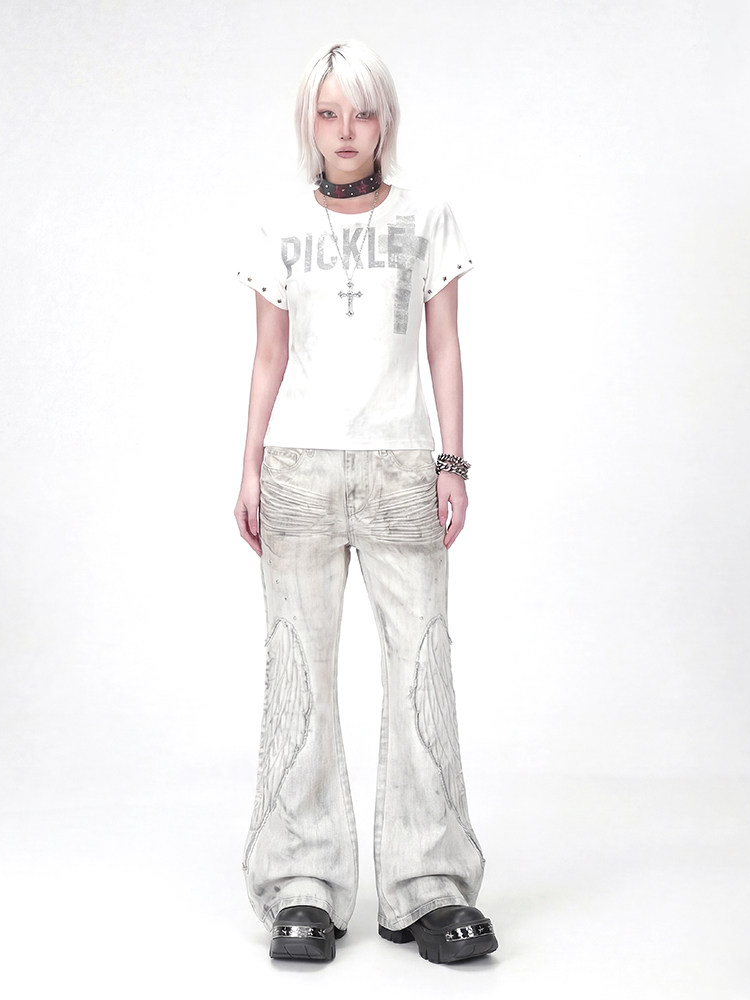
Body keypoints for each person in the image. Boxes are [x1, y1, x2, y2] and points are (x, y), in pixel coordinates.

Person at [233, 40, 496, 965]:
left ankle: (430, 886)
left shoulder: (428, 217)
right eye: (329, 113)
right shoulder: (277, 221)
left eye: (363, 112)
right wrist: (250, 467)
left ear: (386, 120)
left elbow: (444, 346)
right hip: (301, 467)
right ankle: (300, 885)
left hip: (398, 468)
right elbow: (268, 355)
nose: (346, 131)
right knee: (297, 672)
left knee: (421, 667)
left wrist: (452, 462)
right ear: (309, 123)